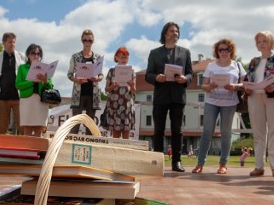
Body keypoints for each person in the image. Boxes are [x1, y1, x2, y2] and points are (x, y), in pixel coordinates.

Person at [191, 38, 245, 174]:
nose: (224, 52)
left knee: (226, 133)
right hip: (212, 102)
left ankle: (223, 164)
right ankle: (200, 163)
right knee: (207, 132)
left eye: (227, 49)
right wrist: (210, 86)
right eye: (221, 50)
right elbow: (203, 85)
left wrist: (235, 86)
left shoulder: (237, 65)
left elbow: (244, 84)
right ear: (217, 51)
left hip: (230, 102)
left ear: (231, 51)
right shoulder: (211, 66)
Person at [145, 22, 193, 172]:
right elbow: (148, 75)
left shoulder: (185, 52)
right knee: (158, 130)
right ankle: (157, 162)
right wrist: (156, 78)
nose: (175, 33)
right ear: (165, 34)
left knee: (177, 131)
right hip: (161, 96)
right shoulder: (154, 53)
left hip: (178, 97)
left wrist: (186, 79)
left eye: (177, 31)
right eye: (171, 31)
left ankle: (176, 162)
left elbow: (190, 73)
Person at [243, 31, 274, 177]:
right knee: (258, 133)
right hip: (255, 98)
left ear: (271, 42)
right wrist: (246, 88)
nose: (261, 44)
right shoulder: (254, 61)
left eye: (264, 41)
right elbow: (247, 78)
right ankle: (259, 166)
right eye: (259, 41)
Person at [68, 29, 104, 134]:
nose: (87, 42)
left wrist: (98, 78)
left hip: (93, 95)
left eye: (90, 40)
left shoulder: (98, 57)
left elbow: (101, 74)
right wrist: (76, 79)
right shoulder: (75, 57)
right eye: (85, 40)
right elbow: (69, 74)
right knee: (75, 124)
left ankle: (90, 148)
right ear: (82, 41)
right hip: (78, 94)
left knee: (90, 126)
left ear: (93, 41)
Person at [15, 44, 55, 137]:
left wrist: (45, 81)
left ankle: (38, 151)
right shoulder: (22, 68)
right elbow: (18, 85)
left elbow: (50, 86)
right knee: (27, 130)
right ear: (28, 55)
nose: (36, 56)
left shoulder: (45, 68)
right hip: (27, 101)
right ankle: (27, 151)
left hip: (41, 101)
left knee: (39, 130)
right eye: (33, 53)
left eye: (39, 54)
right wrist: (32, 81)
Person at [0, 32, 25, 135]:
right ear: (4, 43)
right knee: (2, 127)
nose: (12, 44)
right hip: (2, 97)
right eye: (10, 42)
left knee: (22, 126)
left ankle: (22, 149)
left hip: (18, 97)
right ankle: (2, 149)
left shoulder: (22, 57)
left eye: (14, 42)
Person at [104, 47, 136, 139]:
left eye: (126, 57)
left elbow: (134, 91)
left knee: (126, 135)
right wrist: (112, 86)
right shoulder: (111, 71)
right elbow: (106, 89)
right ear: (116, 58)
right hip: (115, 105)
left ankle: (126, 152)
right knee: (116, 135)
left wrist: (132, 85)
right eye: (122, 57)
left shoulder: (132, 72)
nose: (124, 60)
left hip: (127, 105)